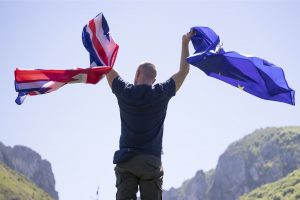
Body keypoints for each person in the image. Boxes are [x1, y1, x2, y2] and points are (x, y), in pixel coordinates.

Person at [106, 30, 194, 200]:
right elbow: (183, 71)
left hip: (127, 161)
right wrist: (185, 43)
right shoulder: (161, 92)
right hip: (150, 162)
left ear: (137, 73)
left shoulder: (125, 91)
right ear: (154, 80)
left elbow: (107, 68)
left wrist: (98, 46)